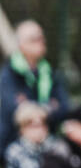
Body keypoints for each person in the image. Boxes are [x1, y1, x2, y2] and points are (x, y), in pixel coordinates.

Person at [0, 20, 72, 158]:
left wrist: (31, 109)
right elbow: (14, 110)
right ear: (21, 45)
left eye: (41, 38)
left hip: (47, 143)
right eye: (34, 39)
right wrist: (48, 107)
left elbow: (64, 108)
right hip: (13, 143)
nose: (41, 41)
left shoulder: (50, 73)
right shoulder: (8, 75)